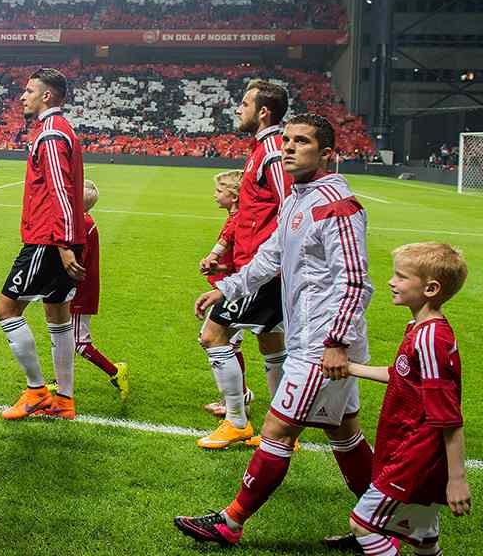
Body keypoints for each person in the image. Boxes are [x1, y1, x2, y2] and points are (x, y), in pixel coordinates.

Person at [174, 114, 376, 546]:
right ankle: (380, 526)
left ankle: (230, 522)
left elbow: (355, 281)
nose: (287, 147)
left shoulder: (337, 207)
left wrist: (337, 342)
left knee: (277, 430)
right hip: (312, 338)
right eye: (286, 139)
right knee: (345, 434)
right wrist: (224, 290)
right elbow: (269, 259)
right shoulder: (297, 200)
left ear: (327, 155)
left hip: (323, 344)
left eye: (301, 142)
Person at [344, 242, 470, 556]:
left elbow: (450, 419)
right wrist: (350, 368)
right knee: (424, 542)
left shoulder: (430, 339)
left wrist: (457, 480)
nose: (391, 281)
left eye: (401, 276)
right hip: (410, 451)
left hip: (413, 455)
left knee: (362, 524)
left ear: (430, 288)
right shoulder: (420, 328)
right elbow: (403, 376)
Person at [194, 80, 293, 449]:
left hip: (264, 270)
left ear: (263, 111)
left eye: (245, 102)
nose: (239, 108)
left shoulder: (272, 151)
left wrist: (260, 268)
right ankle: (286, 428)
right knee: (270, 341)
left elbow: (289, 210)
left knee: (213, 335)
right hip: (264, 268)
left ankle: (237, 421)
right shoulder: (263, 148)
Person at [0, 68, 88, 422]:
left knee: (6, 311)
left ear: (47, 96)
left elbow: (59, 190)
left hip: (47, 241)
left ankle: (36, 391)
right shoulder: (63, 130)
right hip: (63, 239)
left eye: (29, 90)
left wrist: (63, 243)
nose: (23, 96)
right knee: (58, 316)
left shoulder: (50, 134)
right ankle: (64, 400)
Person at [67, 180, 129, 403]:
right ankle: (62, 380)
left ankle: (115, 371)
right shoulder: (86, 221)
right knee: (66, 337)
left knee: (79, 342)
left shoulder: (82, 224)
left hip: (80, 291)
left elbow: (75, 261)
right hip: (83, 288)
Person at [199, 170, 251, 418]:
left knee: (215, 340)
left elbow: (241, 259)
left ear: (234, 196)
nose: (214, 195)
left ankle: (237, 403)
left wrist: (216, 262)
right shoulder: (235, 218)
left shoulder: (239, 220)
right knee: (227, 343)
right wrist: (217, 265)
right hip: (230, 284)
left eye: (219, 191)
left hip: (234, 289)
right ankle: (237, 397)